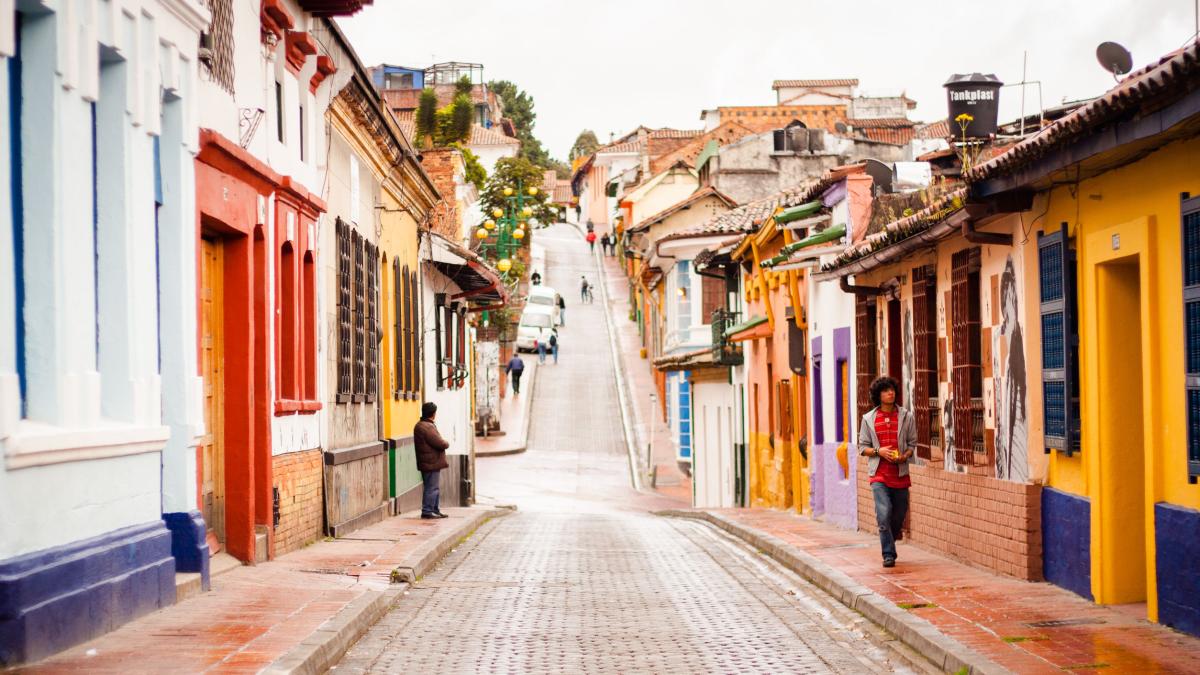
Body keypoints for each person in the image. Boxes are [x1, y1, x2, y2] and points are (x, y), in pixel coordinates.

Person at [859, 376, 916, 568]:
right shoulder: (868, 419)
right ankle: (888, 554)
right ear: (878, 395)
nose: (890, 392)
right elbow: (863, 447)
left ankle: (890, 534)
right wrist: (879, 452)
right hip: (879, 475)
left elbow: (912, 444)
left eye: (892, 389)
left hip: (900, 474)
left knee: (899, 514)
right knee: (883, 514)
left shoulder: (906, 416)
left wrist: (905, 455)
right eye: (885, 390)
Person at [413, 402, 450, 519]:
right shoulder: (427, 427)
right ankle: (428, 510)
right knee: (432, 488)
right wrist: (446, 442)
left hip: (428, 462)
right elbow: (441, 443)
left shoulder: (421, 425)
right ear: (433, 414)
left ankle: (434, 509)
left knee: (433, 487)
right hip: (431, 462)